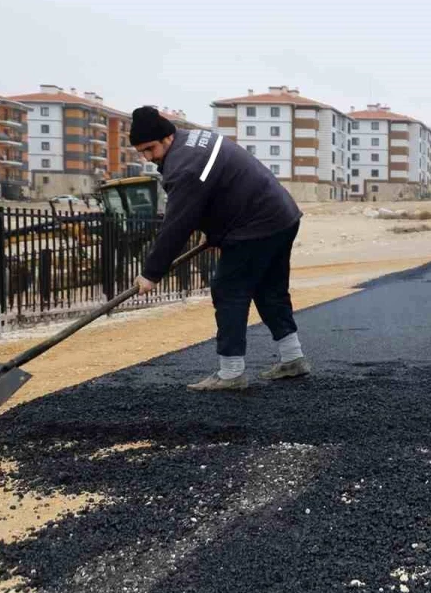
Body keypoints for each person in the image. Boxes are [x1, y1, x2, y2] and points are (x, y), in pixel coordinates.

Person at [128, 106, 310, 391]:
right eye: (141, 152)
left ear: (167, 137)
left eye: (150, 149)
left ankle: (231, 372)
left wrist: (151, 273)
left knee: (228, 290)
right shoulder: (193, 140)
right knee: (269, 289)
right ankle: (293, 358)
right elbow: (217, 191)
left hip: (257, 224)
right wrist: (214, 234)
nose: (148, 158)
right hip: (281, 216)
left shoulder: (185, 166)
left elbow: (177, 224)